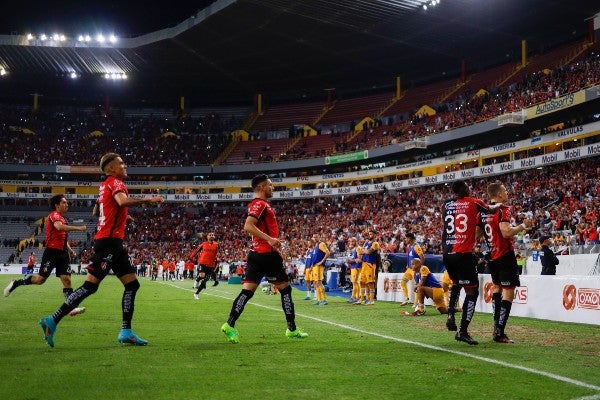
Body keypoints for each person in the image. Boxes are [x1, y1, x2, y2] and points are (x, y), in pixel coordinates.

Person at [38, 152, 164, 348]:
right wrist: (149, 199)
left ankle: (126, 331)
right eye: (121, 163)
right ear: (111, 168)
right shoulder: (116, 183)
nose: (125, 166)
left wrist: (123, 217)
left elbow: (98, 211)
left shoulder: (104, 185)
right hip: (109, 243)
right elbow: (121, 202)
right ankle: (52, 320)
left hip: (113, 242)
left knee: (132, 284)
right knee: (90, 286)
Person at [221, 174, 308, 343]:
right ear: (261, 187)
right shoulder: (260, 204)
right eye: (270, 185)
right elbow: (248, 226)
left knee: (247, 292)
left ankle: (229, 325)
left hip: (256, 254)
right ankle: (292, 329)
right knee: (285, 289)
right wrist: (269, 239)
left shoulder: (259, 204)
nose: (272, 187)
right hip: (267, 254)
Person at [4, 195, 87, 320]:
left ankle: (71, 307)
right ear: (57, 205)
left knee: (67, 280)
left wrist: (70, 251)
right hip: (52, 253)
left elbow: (63, 238)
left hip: (63, 254)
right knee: (40, 280)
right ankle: (16, 283)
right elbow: (59, 227)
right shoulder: (54, 216)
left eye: (67, 202)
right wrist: (79, 228)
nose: (67, 204)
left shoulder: (63, 219)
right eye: (64, 202)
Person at [441, 180, 497, 345]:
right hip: (463, 254)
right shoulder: (474, 202)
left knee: (457, 284)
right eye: (467, 186)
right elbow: (491, 209)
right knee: (472, 292)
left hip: (447, 253)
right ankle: (463, 331)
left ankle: (451, 313)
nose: (470, 188)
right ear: (464, 189)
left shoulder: (445, 205)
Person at [483, 183, 532, 343]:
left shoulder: (484, 210)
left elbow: (478, 233)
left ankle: (496, 327)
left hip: (491, 255)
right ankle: (500, 331)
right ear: (498, 194)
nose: (507, 193)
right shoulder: (503, 208)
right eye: (504, 191)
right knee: (508, 291)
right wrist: (523, 226)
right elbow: (506, 232)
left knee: (496, 288)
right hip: (504, 255)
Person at [190, 232, 219, 300]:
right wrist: (191, 256)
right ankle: (197, 281)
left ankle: (196, 294)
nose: (211, 236)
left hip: (211, 265)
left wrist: (216, 259)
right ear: (207, 237)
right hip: (202, 262)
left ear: (214, 237)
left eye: (213, 235)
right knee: (202, 275)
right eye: (210, 235)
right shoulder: (203, 244)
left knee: (205, 280)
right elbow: (196, 250)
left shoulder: (217, 244)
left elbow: (217, 253)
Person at [399, 232, 424, 307]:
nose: (405, 240)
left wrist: (419, 268)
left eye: (406, 238)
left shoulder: (416, 246)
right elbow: (410, 257)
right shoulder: (410, 246)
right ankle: (406, 299)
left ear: (410, 238)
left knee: (417, 286)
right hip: (409, 269)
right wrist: (407, 264)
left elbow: (422, 257)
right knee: (403, 282)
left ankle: (416, 303)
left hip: (415, 269)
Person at [356, 229, 379, 305]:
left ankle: (372, 300)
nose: (370, 236)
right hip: (364, 264)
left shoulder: (375, 243)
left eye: (371, 234)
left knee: (370, 282)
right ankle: (362, 299)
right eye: (369, 234)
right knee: (362, 282)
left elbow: (369, 252)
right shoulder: (366, 244)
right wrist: (364, 248)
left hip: (370, 265)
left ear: (375, 235)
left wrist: (364, 250)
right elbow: (361, 252)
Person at [310, 232, 330, 305]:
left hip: (319, 266)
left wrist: (321, 262)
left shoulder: (321, 244)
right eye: (314, 237)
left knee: (319, 282)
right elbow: (315, 257)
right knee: (316, 282)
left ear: (319, 237)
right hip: (315, 266)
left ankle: (324, 299)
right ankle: (319, 299)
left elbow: (328, 253)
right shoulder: (316, 245)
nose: (315, 238)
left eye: (316, 237)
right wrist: (312, 265)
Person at [346, 237, 362, 303]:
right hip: (353, 267)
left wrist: (351, 261)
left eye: (353, 241)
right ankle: (354, 297)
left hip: (357, 267)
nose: (351, 243)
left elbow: (359, 259)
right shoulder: (353, 249)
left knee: (356, 283)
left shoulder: (358, 248)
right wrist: (349, 261)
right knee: (354, 283)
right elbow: (352, 259)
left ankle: (357, 297)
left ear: (356, 241)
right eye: (350, 241)